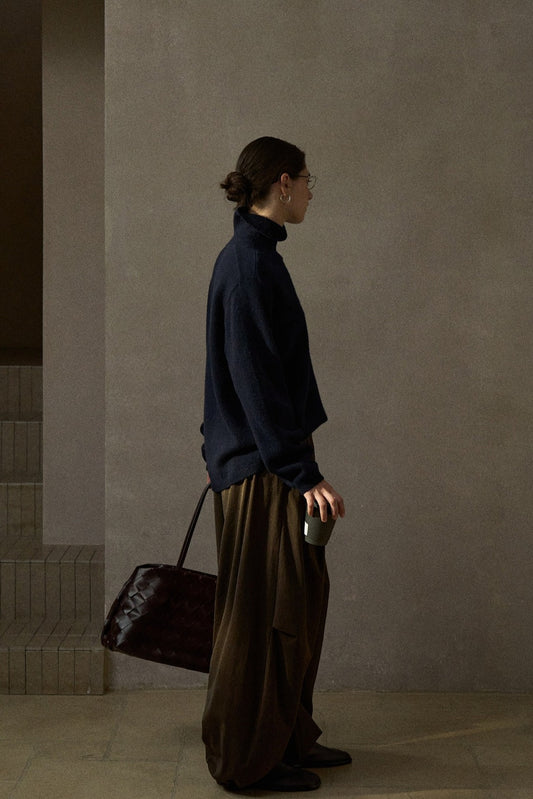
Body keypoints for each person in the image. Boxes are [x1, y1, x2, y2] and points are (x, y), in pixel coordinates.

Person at [201, 136, 349, 792]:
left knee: (295, 609)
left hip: (261, 464)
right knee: (262, 620)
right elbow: (254, 381)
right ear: (283, 183)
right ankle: (246, 762)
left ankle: (287, 737)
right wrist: (300, 473)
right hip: (264, 472)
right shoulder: (248, 267)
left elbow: (236, 378)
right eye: (307, 180)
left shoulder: (255, 258)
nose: (312, 192)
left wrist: (222, 447)